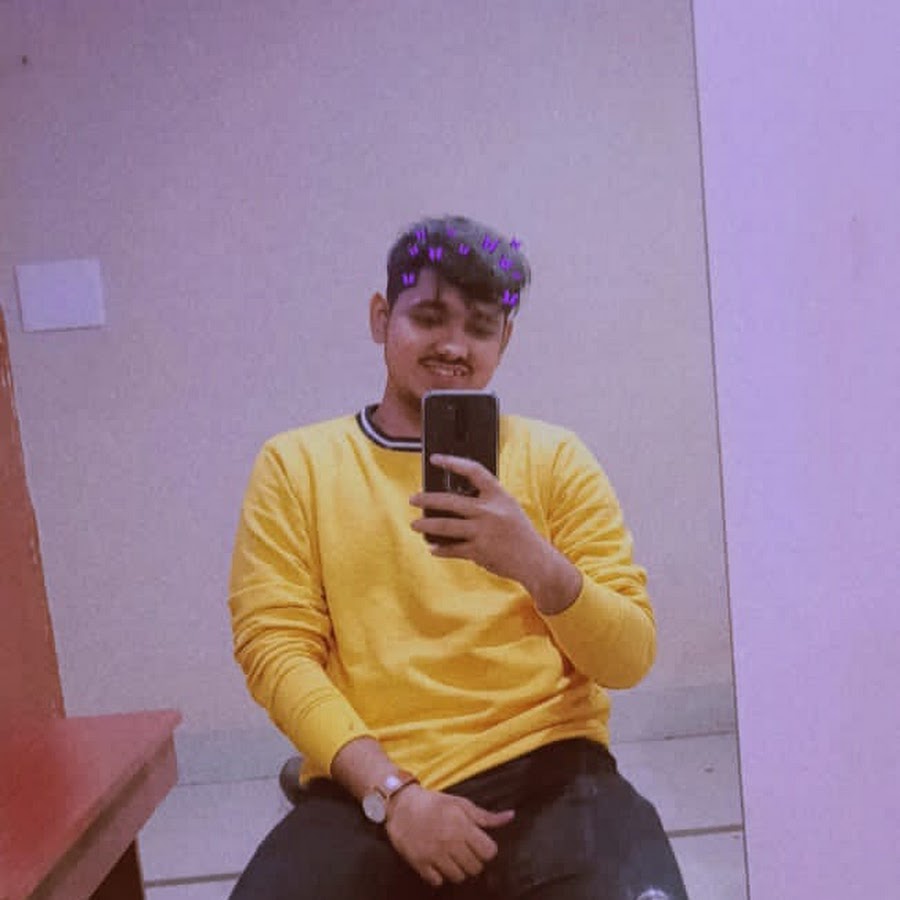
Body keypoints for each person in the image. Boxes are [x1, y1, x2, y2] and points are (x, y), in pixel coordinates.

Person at [227, 215, 689, 899]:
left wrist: (534, 562)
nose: (453, 345)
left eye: (480, 326)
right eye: (428, 317)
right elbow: (276, 652)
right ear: (381, 317)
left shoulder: (555, 459)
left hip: (551, 772)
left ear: (505, 339)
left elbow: (628, 660)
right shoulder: (299, 465)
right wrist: (394, 795)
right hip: (371, 787)